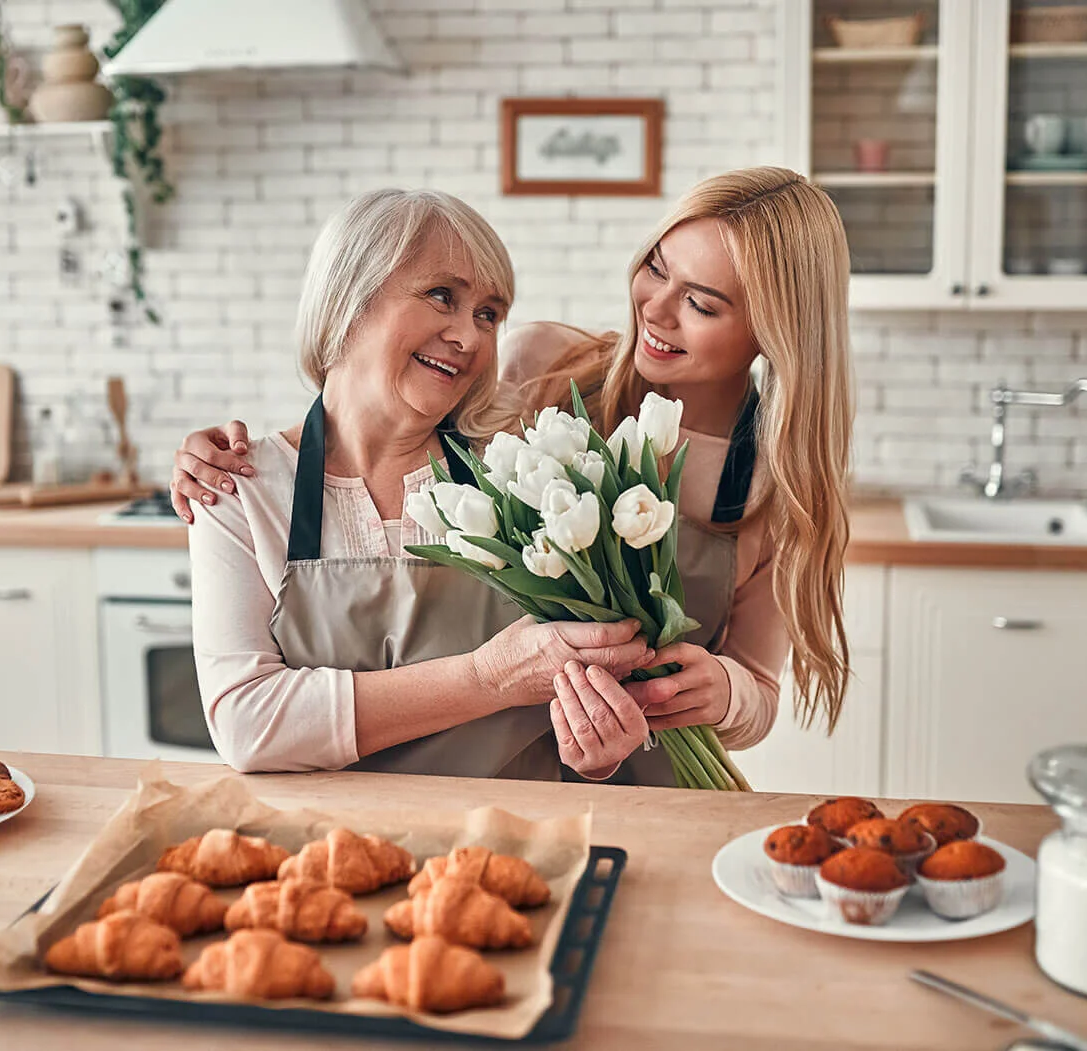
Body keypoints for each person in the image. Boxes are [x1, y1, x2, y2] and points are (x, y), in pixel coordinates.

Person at [174, 168, 854, 785]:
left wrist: (721, 695)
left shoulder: (778, 483)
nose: (654, 308)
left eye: (702, 304)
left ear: (775, 331)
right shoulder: (546, 393)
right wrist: (219, 460)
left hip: (644, 797)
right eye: (654, 266)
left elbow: (755, 689)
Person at [187, 187, 653, 778]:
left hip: (511, 844)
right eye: (442, 297)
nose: (470, 337)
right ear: (348, 300)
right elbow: (249, 723)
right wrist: (488, 679)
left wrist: (596, 749)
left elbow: (575, 713)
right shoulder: (239, 488)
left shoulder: (522, 473)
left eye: (488, 313)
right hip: (332, 856)